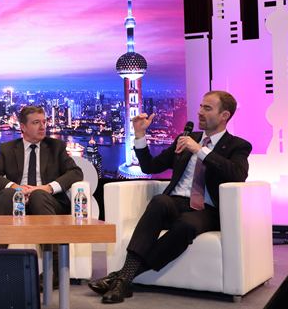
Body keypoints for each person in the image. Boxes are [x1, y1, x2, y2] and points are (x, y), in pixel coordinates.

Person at [89, 90, 251, 303]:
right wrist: (139, 135)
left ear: (224, 115)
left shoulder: (237, 145)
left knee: (187, 224)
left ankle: (123, 278)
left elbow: (238, 174)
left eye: (207, 108)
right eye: (200, 106)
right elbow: (150, 166)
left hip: (207, 210)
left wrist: (200, 151)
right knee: (159, 201)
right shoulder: (185, 139)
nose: (199, 112)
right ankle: (124, 279)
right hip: (175, 202)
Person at [0, 105, 84, 288]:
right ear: (23, 127)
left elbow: (76, 172)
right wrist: (16, 188)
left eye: (44, 122)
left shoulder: (56, 147)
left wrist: (47, 188)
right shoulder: (8, 148)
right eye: (36, 122)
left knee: (38, 195)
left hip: (48, 202)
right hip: (17, 200)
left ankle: (53, 270)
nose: (43, 126)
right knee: (7, 194)